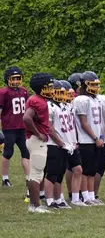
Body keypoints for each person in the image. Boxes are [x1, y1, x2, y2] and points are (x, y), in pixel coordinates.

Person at [23, 72, 55, 214]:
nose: (52, 89)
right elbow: (26, 118)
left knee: (36, 173)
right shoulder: (39, 102)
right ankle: (35, 206)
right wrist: (38, 133)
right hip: (36, 141)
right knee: (36, 174)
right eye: (49, 87)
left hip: (34, 140)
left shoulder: (37, 99)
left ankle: (34, 204)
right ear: (41, 88)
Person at [73, 71, 105, 206]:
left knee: (92, 170)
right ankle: (85, 197)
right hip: (86, 140)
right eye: (92, 85)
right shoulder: (81, 100)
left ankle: (91, 196)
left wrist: (101, 136)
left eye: (96, 84)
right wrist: (94, 137)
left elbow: (101, 122)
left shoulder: (97, 99)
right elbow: (83, 122)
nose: (95, 87)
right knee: (86, 171)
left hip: (96, 139)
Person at [43, 80, 75, 209]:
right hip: (53, 144)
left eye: (64, 93)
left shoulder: (65, 106)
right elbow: (49, 128)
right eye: (59, 92)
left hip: (64, 144)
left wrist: (71, 142)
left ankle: (58, 199)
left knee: (60, 173)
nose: (62, 95)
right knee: (52, 173)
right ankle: (49, 199)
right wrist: (60, 142)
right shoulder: (49, 106)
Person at [0, 66, 30, 196]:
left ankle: (29, 178)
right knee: (8, 152)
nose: (17, 81)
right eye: (14, 78)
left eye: (19, 78)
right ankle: (5, 178)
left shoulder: (24, 91)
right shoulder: (3, 92)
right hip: (9, 128)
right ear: (8, 79)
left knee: (26, 152)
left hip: (23, 127)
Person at [65, 73, 82, 203]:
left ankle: (74, 192)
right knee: (71, 165)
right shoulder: (74, 99)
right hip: (71, 134)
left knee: (74, 166)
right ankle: (73, 192)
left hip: (76, 134)